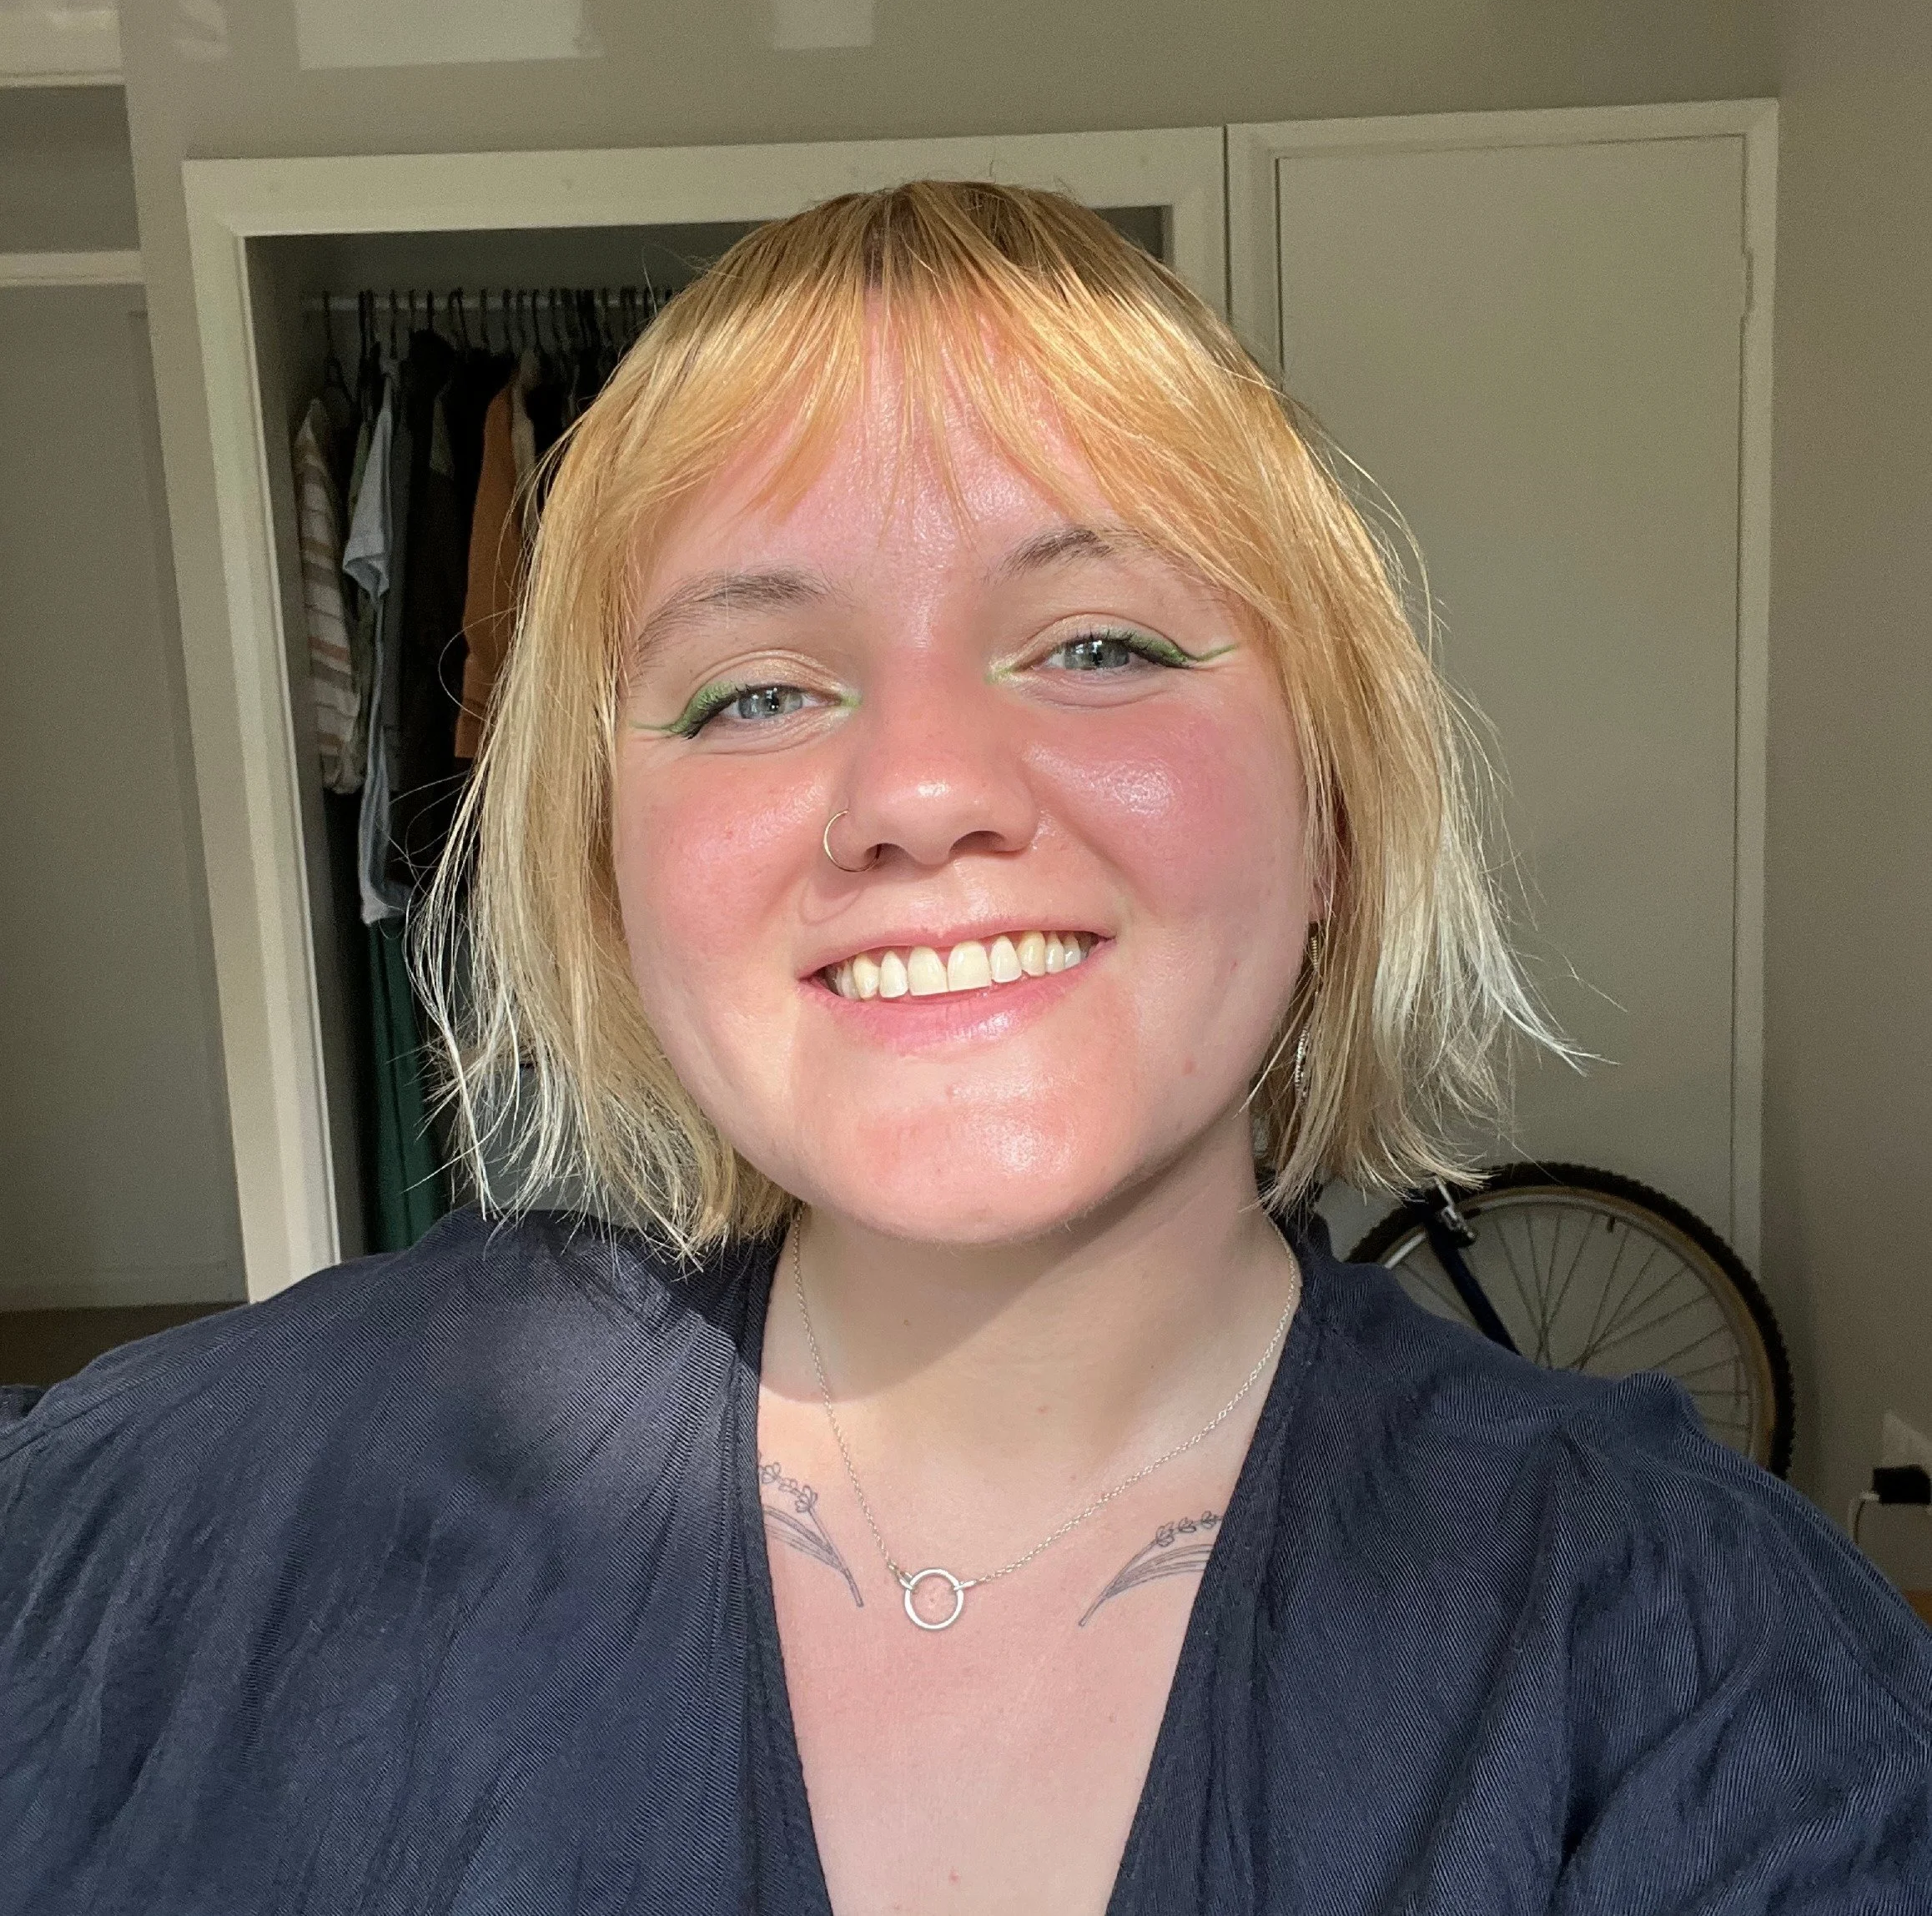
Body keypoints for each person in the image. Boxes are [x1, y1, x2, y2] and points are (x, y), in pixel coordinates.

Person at [3, 181, 1928, 1914]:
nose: (918, 790)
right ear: (610, 874)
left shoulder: (1701, 1665)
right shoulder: (215, 1500)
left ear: (1331, 816)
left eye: (1097, 644)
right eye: (755, 689)